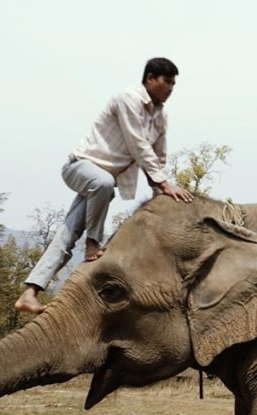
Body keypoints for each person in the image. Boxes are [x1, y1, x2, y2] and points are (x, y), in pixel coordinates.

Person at [15, 57, 194, 314]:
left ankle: (30, 292)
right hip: (81, 167)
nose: (170, 89)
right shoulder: (128, 99)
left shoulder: (161, 117)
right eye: (166, 82)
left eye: (174, 84)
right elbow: (138, 145)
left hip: (101, 185)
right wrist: (165, 184)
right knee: (104, 183)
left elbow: (158, 157)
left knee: (67, 233)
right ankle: (93, 242)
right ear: (150, 78)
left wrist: (162, 198)